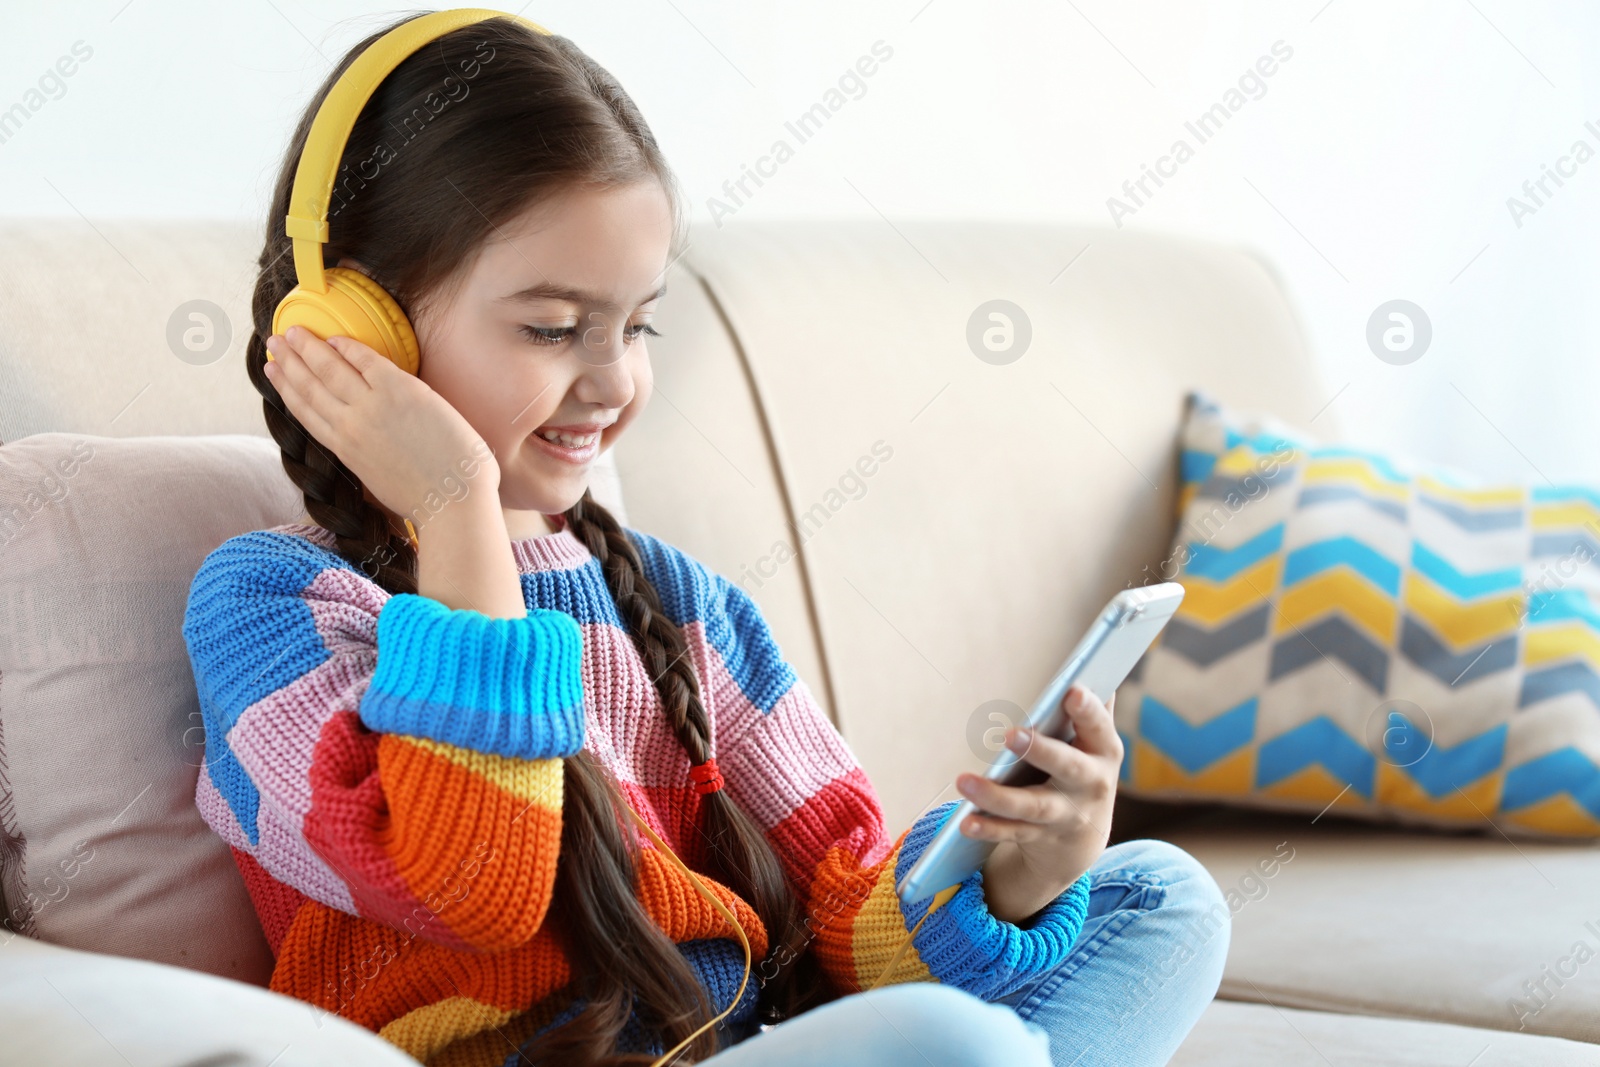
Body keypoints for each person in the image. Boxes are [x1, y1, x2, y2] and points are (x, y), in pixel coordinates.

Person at [182, 13, 1229, 1066]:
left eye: (637, 325)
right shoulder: (275, 608)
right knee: (951, 1041)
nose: (614, 380)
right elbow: (475, 883)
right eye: (552, 326)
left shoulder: (684, 607)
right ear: (361, 326)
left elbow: (844, 922)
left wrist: (1017, 871)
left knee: (1162, 900)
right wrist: (457, 503)